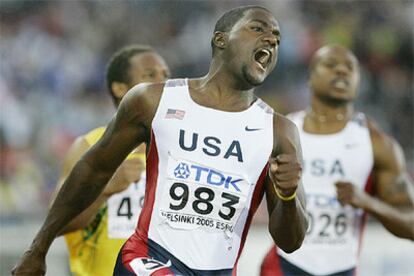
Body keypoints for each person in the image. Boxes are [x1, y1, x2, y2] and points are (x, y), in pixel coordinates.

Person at [12, 6, 308, 276]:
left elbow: (291, 241)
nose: (271, 39)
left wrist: (287, 196)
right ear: (220, 39)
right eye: (258, 29)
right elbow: (93, 169)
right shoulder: (154, 101)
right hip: (150, 258)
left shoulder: (279, 132)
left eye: (277, 37)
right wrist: (37, 249)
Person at [260, 45, 414, 276]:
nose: (342, 71)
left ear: (359, 81)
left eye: (350, 68)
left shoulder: (376, 143)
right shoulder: (283, 132)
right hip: (284, 267)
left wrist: (368, 203)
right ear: (310, 78)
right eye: (331, 65)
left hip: (341, 269)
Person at [51, 45, 170, 276]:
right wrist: (106, 188)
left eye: (165, 75)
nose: (162, 83)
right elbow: (56, 224)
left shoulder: (179, 149)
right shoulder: (88, 147)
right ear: (120, 88)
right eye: (150, 75)